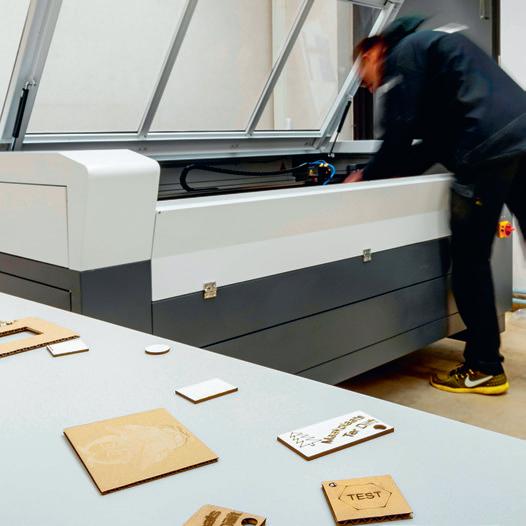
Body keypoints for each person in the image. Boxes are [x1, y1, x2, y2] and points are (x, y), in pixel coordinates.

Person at [345, 16, 526, 395]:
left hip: (486, 149)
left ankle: (484, 367)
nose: (368, 85)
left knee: (470, 260)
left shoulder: (403, 55)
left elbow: (399, 131)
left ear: (373, 53)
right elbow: (435, 143)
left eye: (364, 76)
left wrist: (366, 178)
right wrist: (388, 172)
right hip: (519, 137)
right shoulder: (435, 47)